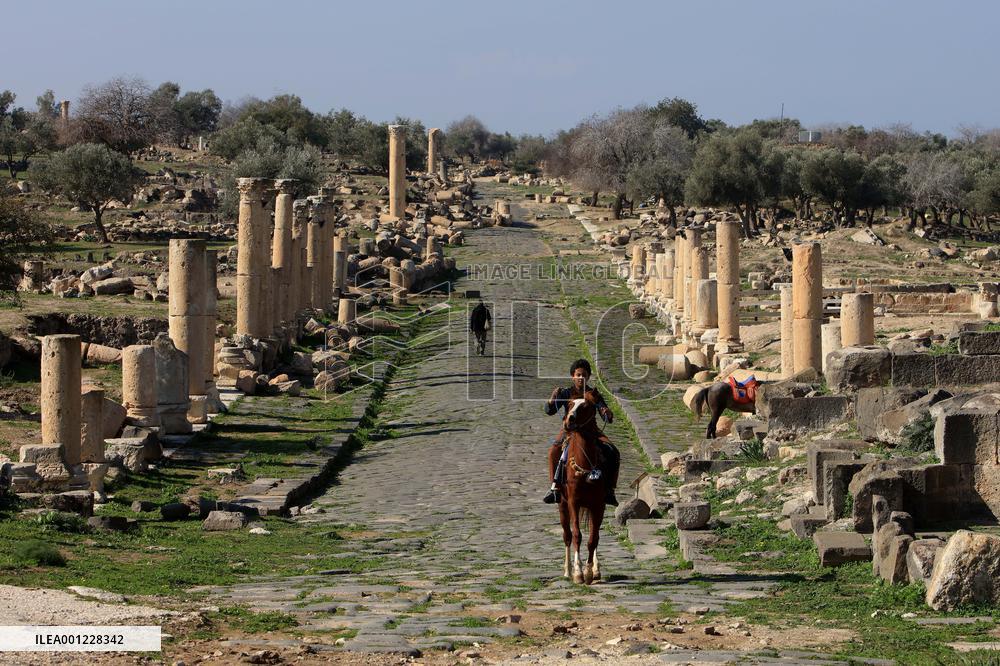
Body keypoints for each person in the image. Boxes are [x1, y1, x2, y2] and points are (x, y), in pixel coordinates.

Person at [542, 359, 620, 506]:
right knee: (553, 451)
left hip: (591, 430)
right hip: (569, 431)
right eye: (578, 374)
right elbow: (549, 411)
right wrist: (552, 399)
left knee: (613, 451)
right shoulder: (565, 393)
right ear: (573, 376)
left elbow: (604, 414)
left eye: (584, 375)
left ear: (588, 377)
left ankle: (609, 490)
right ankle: (555, 489)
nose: (581, 378)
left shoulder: (593, 394)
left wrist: (607, 413)